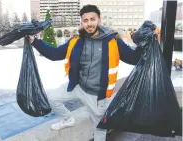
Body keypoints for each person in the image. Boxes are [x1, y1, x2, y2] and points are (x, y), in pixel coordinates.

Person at [29, 5, 143, 141]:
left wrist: (144, 42)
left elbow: (133, 58)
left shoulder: (113, 41)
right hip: (78, 87)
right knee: (52, 98)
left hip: (97, 97)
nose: (89, 23)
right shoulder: (76, 41)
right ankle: (68, 119)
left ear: (99, 20)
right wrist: (34, 41)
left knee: (100, 130)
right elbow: (54, 54)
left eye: (92, 19)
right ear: (82, 23)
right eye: (85, 20)